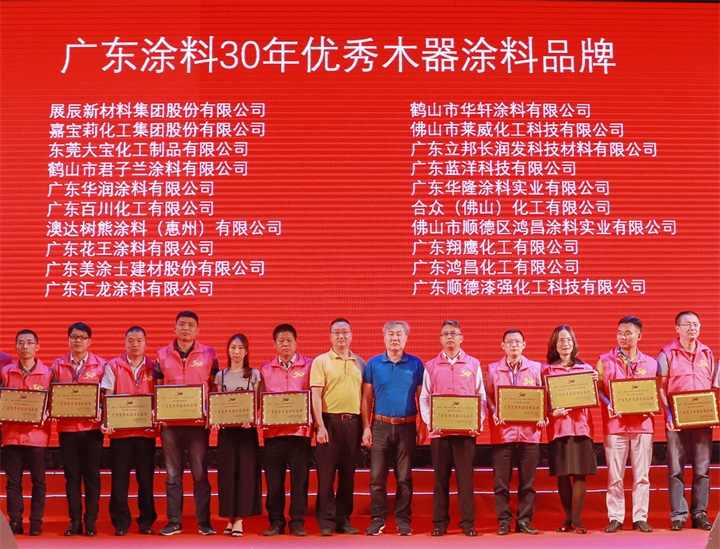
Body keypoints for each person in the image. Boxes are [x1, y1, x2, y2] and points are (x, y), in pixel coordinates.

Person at [154, 311, 219, 536]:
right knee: (173, 475)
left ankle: (204, 523)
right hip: (170, 425)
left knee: (200, 474)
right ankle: (174, 522)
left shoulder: (209, 354)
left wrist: (212, 413)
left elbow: (215, 388)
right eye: (182, 324)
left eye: (191, 325)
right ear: (174, 328)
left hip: (197, 425)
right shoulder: (161, 355)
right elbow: (157, 388)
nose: (186, 328)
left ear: (197, 330)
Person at [419, 320, 485, 537]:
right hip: (440, 434)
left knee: (465, 480)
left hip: (466, 434)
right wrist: (431, 423)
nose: (449, 337)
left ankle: (468, 523)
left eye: (454, 333)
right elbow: (424, 398)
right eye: (445, 334)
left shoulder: (473, 364)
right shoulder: (431, 366)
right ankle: (439, 523)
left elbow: (481, 396)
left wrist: (478, 422)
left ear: (461, 338)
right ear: (440, 339)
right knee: (440, 480)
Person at [361, 321, 425, 536]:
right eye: (390, 334)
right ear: (384, 338)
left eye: (399, 334)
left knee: (404, 478)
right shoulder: (373, 364)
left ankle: (403, 519)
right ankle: (378, 518)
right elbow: (366, 398)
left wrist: (423, 426)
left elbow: (422, 398)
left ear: (406, 338)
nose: (394, 338)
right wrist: (366, 427)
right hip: (380, 426)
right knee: (377, 477)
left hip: (407, 426)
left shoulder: (416, 364)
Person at [658, 311, 717, 531]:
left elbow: (714, 388)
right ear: (677, 328)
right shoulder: (667, 353)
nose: (693, 328)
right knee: (676, 470)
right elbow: (660, 388)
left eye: (696, 324)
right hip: (677, 422)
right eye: (687, 324)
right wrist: (668, 415)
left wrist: (714, 413)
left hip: (702, 421)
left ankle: (700, 513)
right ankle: (678, 515)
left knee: (702, 470)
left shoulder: (707, 353)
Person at [597, 317, 657, 533]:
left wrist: (653, 406)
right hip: (615, 426)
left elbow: (657, 391)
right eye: (620, 332)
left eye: (628, 333)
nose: (623, 337)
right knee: (615, 476)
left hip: (643, 425)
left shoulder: (651, 363)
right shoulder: (604, 361)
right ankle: (615, 517)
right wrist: (608, 404)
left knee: (642, 476)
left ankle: (640, 517)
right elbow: (598, 390)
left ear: (639, 336)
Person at [485, 329, 545, 536]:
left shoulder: (536, 368)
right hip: (503, 433)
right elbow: (488, 396)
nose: (514, 345)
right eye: (509, 342)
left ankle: (524, 521)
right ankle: (503, 521)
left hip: (530, 433)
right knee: (501, 482)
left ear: (524, 345)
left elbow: (543, 395)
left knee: (528, 482)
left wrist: (541, 414)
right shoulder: (493, 369)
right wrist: (494, 411)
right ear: (503, 346)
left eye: (517, 342)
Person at [100, 326, 158, 536]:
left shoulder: (154, 367)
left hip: (145, 432)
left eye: (139, 340)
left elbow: (159, 396)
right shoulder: (113, 366)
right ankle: (121, 522)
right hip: (120, 433)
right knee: (119, 479)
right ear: (125, 343)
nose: (135, 344)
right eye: (131, 341)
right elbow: (107, 396)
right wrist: (107, 420)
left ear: (146, 343)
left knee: (146, 480)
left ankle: (146, 521)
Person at [310, 318, 365, 536]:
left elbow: (365, 397)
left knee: (347, 475)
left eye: (345, 332)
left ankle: (344, 520)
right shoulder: (321, 361)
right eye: (337, 332)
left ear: (351, 335)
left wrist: (365, 427)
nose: (341, 336)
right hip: (328, 423)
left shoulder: (360, 363)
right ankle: (326, 522)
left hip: (353, 423)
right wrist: (320, 426)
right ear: (330, 337)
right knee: (326, 476)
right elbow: (315, 396)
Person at [542, 325, 598, 535]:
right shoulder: (546, 371)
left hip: (582, 427)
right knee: (563, 475)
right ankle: (567, 517)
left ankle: (577, 519)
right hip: (559, 429)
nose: (565, 344)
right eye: (561, 341)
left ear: (574, 344)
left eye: (568, 340)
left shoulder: (586, 370)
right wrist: (551, 412)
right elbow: (541, 401)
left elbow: (594, 397)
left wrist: (596, 383)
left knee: (580, 474)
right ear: (554, 345)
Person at [52, 322, 105, 537]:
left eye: (82, 337)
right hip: (67, 429)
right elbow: (52, 395)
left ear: (89, 341)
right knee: (72, 477)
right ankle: (74, 521)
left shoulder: (101, 365)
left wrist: (101, 409)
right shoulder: (57, 365)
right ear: (68, 340)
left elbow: (106, 397)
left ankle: (90, 521)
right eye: (74, 337)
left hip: (91, 429)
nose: (78, 341)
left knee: (92, 477)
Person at [259, 324, 313, 537]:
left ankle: (297, 522)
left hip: (300, 434)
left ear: (296, 343)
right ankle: (276, 522)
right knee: (274, 483)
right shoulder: (265, 369)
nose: (285, 344)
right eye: (281, 341)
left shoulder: (309, 366)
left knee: (300, 481)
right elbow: (259, 402)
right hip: (273, 435)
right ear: (274, 344)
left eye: (289, 340)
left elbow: (314, 397)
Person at [2, 330, 53, 536]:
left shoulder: (48, 373)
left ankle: (36, 522)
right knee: (13, 482)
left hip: (37, 436)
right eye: (21, 343)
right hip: (11, 435)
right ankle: (15, 521)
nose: (25, 346)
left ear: (37, 347)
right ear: (16, 347)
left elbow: (54, 402)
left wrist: (49, 410)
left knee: (38, 481)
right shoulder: (6, 372)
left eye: (30, 343)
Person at [212, 333, 262, 537]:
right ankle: (230, 517)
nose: (237, 351)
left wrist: (251, 417)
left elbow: (256, 403)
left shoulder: (254, 374)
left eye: (241, 348)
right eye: (233, 347)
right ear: (228, 350)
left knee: (245, 474)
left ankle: (240, 518)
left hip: (246, 431)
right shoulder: (220, 376)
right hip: (226, 433)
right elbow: (217, 402)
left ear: (247, 351)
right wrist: (216, 418)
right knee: (227, 474)